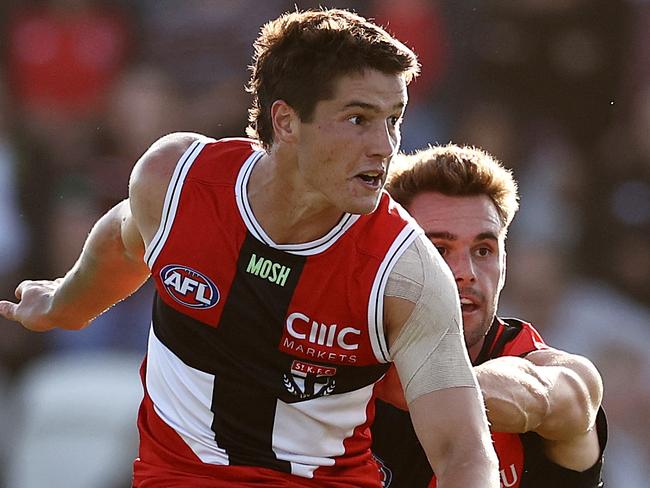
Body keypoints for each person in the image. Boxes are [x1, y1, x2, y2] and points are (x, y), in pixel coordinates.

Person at [0, 9, 498, 488]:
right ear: (285, 121)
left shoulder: (404, 272)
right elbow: (128, 238)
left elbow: (464, 453)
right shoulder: (177, 181)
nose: (386, 146)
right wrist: (66, 301)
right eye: (357, 119)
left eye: (394, 119)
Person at [371, 144, 607, 488]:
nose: (465, 272)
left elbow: (551, 394)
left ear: (504, 265)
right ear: (388, 261)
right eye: (438, 250)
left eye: (483, 250)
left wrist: (420, 387)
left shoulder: (557, 372)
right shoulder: (342, 358)